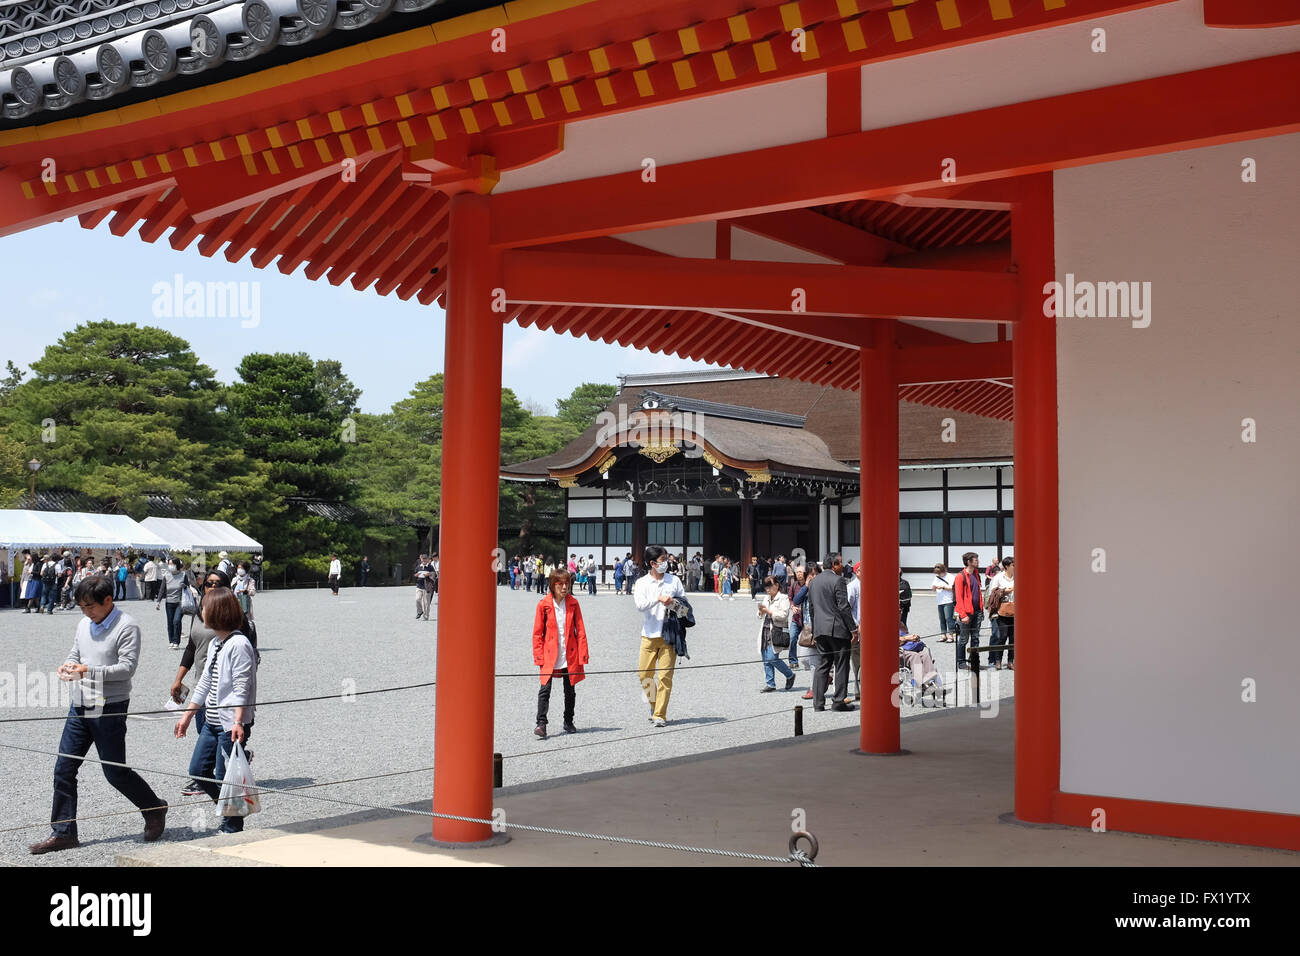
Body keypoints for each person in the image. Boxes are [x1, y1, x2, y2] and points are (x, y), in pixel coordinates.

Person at [29, 574, 167, 854]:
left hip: (110, 706)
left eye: (90, 607)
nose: (86, 612)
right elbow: (76, 652)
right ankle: (64, 832)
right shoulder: (83, 623)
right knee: (64, 769)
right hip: (80, 703)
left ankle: (154, 807)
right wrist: (68, 666)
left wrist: (88, 671)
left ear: (108, 600)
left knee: (114, 772)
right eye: (81, 607)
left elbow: (127, 668)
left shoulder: (128, 626)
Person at [174, 586, 257, 834]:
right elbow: (205, 682)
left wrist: (239, 721)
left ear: (218, 611)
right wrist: (187, 715)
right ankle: (231, 812)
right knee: (198, 771)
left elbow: (243, 685)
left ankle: (233, 824)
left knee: (225, 775)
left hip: (230, 723)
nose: (201, 611)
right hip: (211, 720)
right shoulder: (216, 643)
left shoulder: (239, 643)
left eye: (205, 607)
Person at [532, 568, 589, 739]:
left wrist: (583, 654)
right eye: (560, 584)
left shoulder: (573, 603)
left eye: (567, 584)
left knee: (570, 690)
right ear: (552, 585)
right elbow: (537, 633)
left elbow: (581, 629)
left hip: (569, 653)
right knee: (545, 689)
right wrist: (539, 656)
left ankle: (568, 721)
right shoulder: (544, 605)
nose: (564, 587)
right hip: (550, 654)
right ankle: (541, 724)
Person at [634, 545, 686, 727]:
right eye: (663, 560)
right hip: (648, 635)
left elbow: (685, 609)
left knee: (665, 677)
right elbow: (640, 605)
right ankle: (654, 705)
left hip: (669, 635)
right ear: (652, 563)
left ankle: (660, 715)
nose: (667, 563)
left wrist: (672, 603)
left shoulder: (674, 582)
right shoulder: (641, 583)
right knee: (644, 675)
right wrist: (658, 598)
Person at [808, 553, 857, 712]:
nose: (842, 566)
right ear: (834, 565)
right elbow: (843, 607)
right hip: (838, 629)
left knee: (823, 664)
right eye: (840, 563)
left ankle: (818, 703)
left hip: (820, 630)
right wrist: (853, 629)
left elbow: (811, 608)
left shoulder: (814, 582)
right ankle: (838, 701)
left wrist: (815, 631)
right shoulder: (838, 580)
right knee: (841, 664)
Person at [757, 575, 796, 692]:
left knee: (772, 657)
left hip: (777, 631)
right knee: (765, 657)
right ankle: (770, 683)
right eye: (766, 587)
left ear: (777, 585)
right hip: (765, 629)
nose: (768, 589)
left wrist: (769, 611)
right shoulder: (766, 598)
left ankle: (790, 675)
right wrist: (760, 611)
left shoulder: (783, 598)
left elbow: (784, 615)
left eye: (770, 586)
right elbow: (759, 616)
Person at [953, 551, 985, 671]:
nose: (978, 561)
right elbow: (958, 598)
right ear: (968, 562)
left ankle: (974, 662)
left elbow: (978, 594)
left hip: (977, 611)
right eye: (976, 560)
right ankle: (961, 662)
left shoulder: (976, 574)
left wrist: (981, 610)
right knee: (963, 639)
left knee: (975, 638)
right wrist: (963, 615)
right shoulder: (960, 576)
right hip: (966, 613)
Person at [156, 557, 192, 649]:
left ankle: (176, 641)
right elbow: (162, 589)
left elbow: (188, 588)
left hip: (180, 602)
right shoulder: (167, 575)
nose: (170, 566)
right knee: (170, 622)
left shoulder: (183, 575)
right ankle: (171, 641)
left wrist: (184, 586)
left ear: (177, 565)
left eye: (172, 564)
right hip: (169, 602)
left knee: (176, 621)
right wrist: (158, 601)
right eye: (169, 564)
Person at [988, 556, 1016, 669]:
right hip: (1002, 610)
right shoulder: (998, 578)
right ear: (1006, 566)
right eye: (1013, 565)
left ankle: (1010, 661)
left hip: (1015, 609)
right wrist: (1004, 591)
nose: (1015, 566)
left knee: (1013, 638)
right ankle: (998, 660)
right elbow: (992, 593)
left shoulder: (1018, 576)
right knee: (1002, 636)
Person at [847, 561, 862, 702]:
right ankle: (859, 691)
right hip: (857, 629)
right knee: (857, 661)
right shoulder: (852, 586)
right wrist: (854, 626)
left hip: (868, 629)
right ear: (856, 571)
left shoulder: (870, 584)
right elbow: (847, 608)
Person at [932, 563, 957, 643]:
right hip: (940, 601)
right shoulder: (937, 577)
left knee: (949, 618)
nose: (939, 574)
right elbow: (933, 588)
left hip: (948, 600)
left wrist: (943, 587)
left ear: (943, 570)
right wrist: (934, 587)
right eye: (937, 573)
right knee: (942, 619)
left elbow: (954, 588)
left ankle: (951, 635)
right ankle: (943, 635)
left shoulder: (950, 577)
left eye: (940, 573)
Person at [414, 554, 436, 620]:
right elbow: (414, 574)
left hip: (427, 587)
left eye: (425, 559)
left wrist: (429, 574)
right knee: (417, 599)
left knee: (426, 602)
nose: (424, 560)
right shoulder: (418, 567)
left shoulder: (430, 567)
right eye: (423, 559)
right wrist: (416, 575)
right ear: (421, 559)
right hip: (419, 586)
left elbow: (434, 575)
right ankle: (420, 612)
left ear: (428, 559)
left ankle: (426, 616)